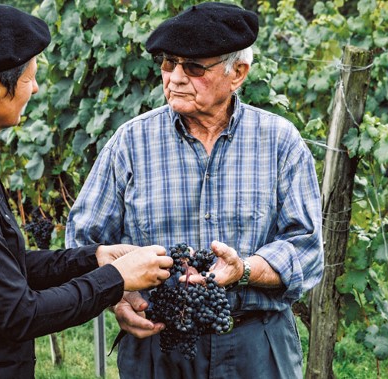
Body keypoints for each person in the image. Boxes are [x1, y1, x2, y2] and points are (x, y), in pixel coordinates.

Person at [0, 4, 174, 378]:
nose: (37, 88)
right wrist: (117, 279)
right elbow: (18, 314)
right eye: (29, 78)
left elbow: (0, 266)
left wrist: (96, 258)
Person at [66, 2, 324, 378]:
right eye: (168, 63)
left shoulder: (279, 141)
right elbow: (83, 242)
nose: (175, 77)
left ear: (238, 73)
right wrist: (120, 298)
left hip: (255, 344)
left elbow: (306, 248)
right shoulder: (130, 143)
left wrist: (246, 269)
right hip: (159, 343)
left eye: (194, 67)